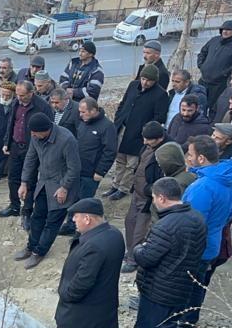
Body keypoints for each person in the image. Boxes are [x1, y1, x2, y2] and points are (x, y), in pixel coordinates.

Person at [113, 178, 207, 328]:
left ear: (162, 198)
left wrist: (138, 249)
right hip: (182, 284)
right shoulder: (197, 218)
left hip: (159, 287)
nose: (153, 202)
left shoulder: (165, 225)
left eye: (154, 198)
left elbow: (146, 257)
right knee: (148, 326)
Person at [47, 198, 125, 328]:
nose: (73, 220)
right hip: (98, 311)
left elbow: (82, 283)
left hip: (80, 313)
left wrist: (65, 293)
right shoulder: (114, 235)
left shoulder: (94, 245)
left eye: (76, 217)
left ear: (88, 219)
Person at [175, 136, 232, 328]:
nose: (188, 157)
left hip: (197, 245)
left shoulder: (202, 187)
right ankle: (188, 321)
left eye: (191, 154)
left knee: (188, 284)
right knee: (199, 281)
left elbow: (191, 221)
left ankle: (183, 323)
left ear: (201, 158)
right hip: (214, 240)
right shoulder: (229, 178)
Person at [13, 112, 81, 269]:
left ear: (46, 130)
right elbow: (30, 159)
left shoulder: (66, 140)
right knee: (37, 216)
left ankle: (39, 252)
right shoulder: (36, 137)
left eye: (35, 132)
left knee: (52, 221)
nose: (33, 135)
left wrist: (64, 187)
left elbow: (74, 168)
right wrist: (23, 182)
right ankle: (31, 247)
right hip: (44, 183)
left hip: (62, 186)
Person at [105, 64, 169, 201]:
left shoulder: (161, 94)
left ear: (155, 80)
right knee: (120, 159)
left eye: (149, 80)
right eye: (143, 79)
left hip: (139, 135)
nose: (145, 83)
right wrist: (118, 118)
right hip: (123, 129)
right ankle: (115, 185)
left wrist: (146, 132)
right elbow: (123, 103)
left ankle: (124, 188)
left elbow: (159, 118)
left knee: (131, 163)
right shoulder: (133, 85)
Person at [59, 97, 118, 236]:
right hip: (77, 168)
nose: (80, 115)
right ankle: (70, 224)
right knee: (73, 198)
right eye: (79, 111)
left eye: (84, 112)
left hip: (92, 172)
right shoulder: (82, 122)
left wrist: (101, 171)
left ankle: (81, 231)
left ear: (94, 110)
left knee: (84, 201)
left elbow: (110, 151)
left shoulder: (107, 126)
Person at [0, 80, 53, 228]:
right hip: (16, 146)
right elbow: (12, 123)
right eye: (17, 95)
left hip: (33, 149)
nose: (19, 98)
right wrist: (6, 142)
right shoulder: (16, 102)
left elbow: (49, 130)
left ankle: (27, 211)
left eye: (22, 95)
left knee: (29, 181)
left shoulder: (42, 107)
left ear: (31, 93)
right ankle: (14, 206)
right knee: (13, 178)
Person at [120, 122, 172, 273]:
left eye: (149, 140)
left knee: (140, 229)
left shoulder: (166, 151)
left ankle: (134, 259)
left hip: (149, 197)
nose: (145, 142)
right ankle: (130, 251)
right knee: (129, 222)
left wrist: (151, 191)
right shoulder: (148, 145)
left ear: (160, 138)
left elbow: (163, 178)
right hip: (137, 193)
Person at [197, 20, 232, 111]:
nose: (225, 31)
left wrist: (225, 73)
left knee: (213, 108)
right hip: (203, 81)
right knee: (197, 105)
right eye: (223, 29)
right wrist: (201, 65)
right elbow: (203, 52)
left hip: (219, 85)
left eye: (228, 30)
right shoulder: (214, 40)